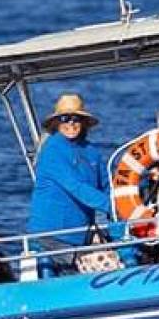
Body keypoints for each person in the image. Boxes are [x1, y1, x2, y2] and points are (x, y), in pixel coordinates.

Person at [25, 93, 111, 247]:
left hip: (81, 235)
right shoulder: (52, 150)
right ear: (56, 123)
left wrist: (129, 205)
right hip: (51, 236)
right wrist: (114, 206)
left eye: (76, 118)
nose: (71, 123)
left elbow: (106, 185)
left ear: (83, 122)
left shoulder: (92, 151)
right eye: (65, 118)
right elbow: (76, 187)